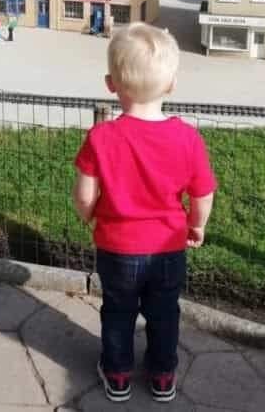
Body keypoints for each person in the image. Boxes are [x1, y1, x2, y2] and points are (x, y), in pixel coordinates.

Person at [72, 23, 216, 404]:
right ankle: (162, 376)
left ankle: (118, 374)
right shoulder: (187, 138)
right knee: (164, 313)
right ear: (171, 85)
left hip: (117, 249)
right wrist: (197, 225)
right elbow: (203, 193)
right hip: (168, 249)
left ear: (110, 84)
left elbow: (84, 193)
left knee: (118, 311)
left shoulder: (101, 137)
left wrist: (89, 214)